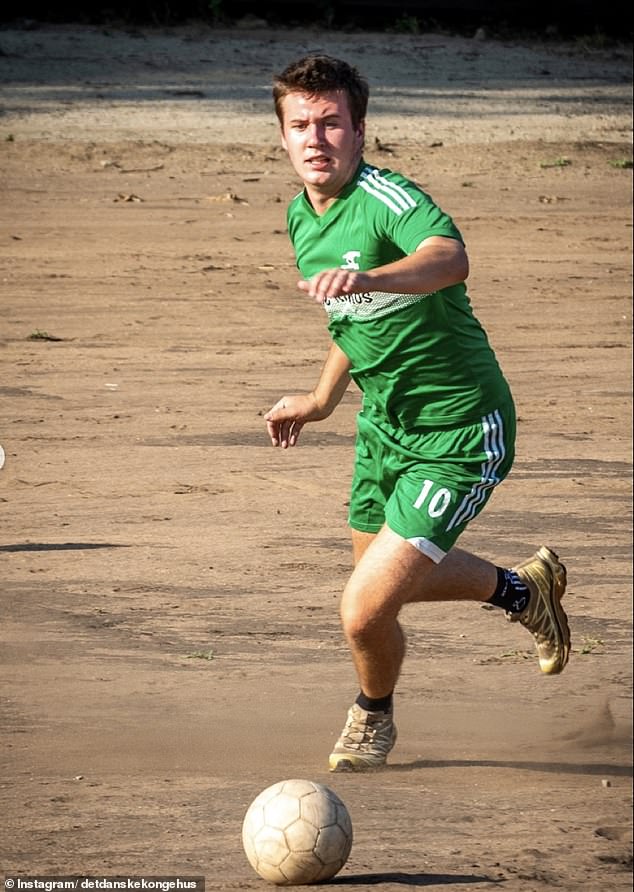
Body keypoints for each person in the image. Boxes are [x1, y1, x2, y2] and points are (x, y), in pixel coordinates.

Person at [264, 54, 571, 772]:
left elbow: (449, 257)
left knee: (363, 609)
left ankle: (373, 717)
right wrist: (320, 400)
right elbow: (354, 322)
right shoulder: (301, 216)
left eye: (332, 122)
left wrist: (371, 273)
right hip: (385, 428)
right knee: (383, 585)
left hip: (461, 430)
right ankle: (525, 590)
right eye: (301, 125)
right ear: (282, 137)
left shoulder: (387, 199)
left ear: (360, 128)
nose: (316, 138)